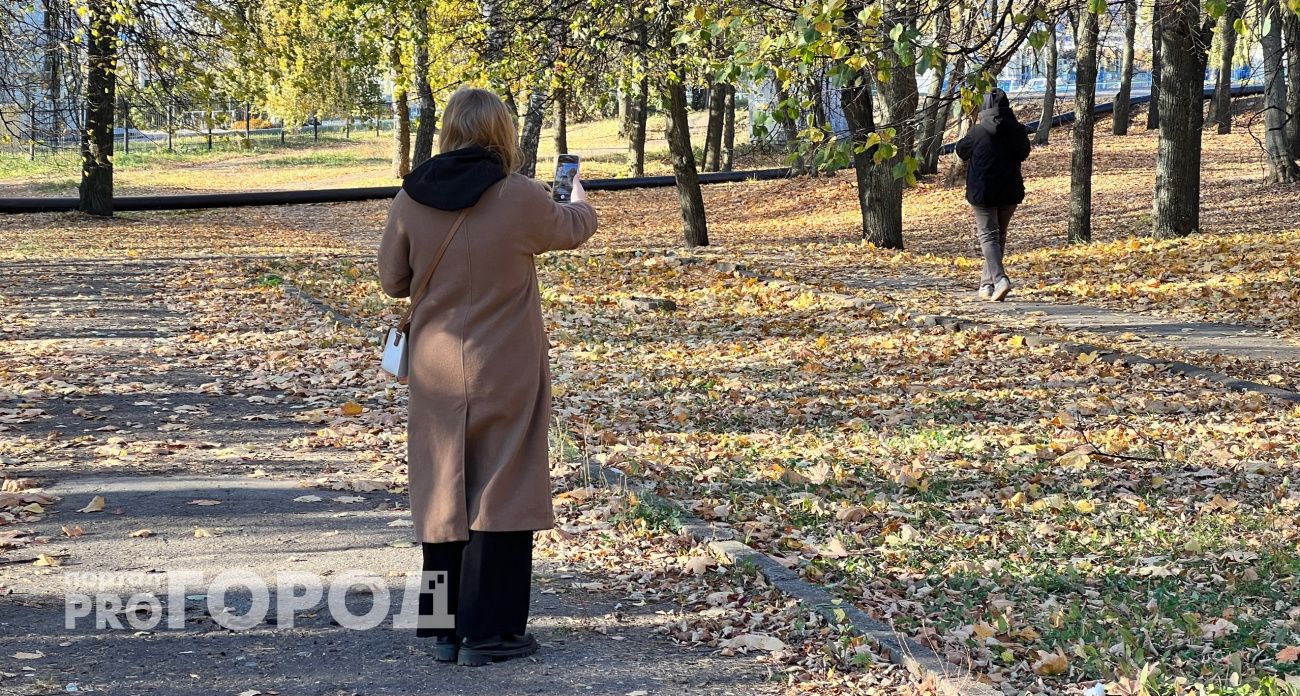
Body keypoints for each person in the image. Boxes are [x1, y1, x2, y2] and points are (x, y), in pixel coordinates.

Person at [378, 87, 598, 666]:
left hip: (434, 366)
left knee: (441, 491)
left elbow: (392, 279)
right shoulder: (519, 196)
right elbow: (571, 229)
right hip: (506, 365)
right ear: (501, 133)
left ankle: (439, 629)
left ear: (449, 130)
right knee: (502, 490)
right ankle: (492, 633)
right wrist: (577, 198)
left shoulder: (412, 195)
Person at [956, 88, 1031, 302]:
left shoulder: (978, 132)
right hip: (1009, 191)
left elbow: (961, 150)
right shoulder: (1017, 130)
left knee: (989, 236)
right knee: (998, 237)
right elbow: (1024, 153)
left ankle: (1000, 279)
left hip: (983, 193)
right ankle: (986, 285)